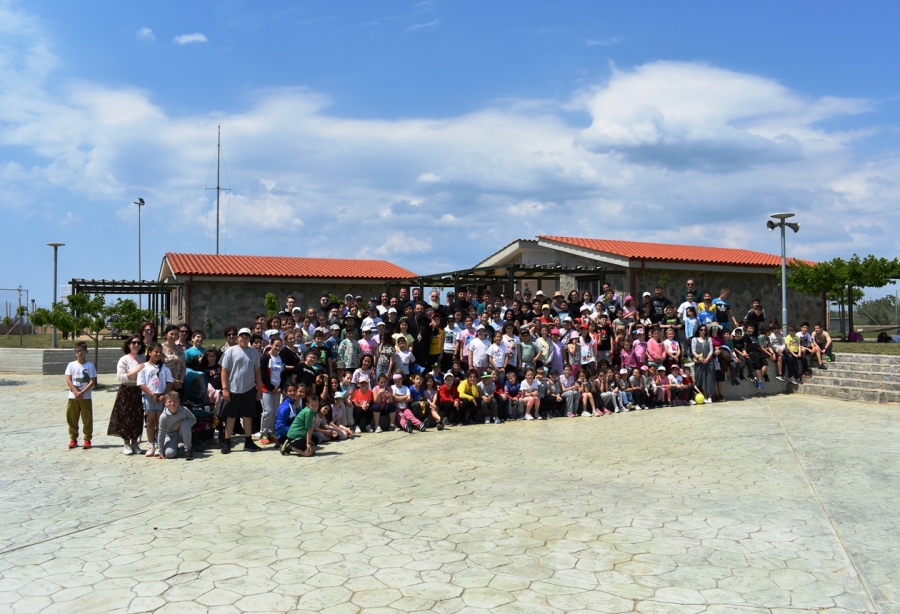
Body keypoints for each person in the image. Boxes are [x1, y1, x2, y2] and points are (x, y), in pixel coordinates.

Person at [220, 328, 264, 454]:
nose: (244, 339)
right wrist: (225, 388)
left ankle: (248, 441)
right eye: (241, 337)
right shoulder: (230, 351)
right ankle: (227, 441)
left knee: (247, 415)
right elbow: (224, 370)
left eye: (246, 337)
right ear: (238, 338)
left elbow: (257, 371)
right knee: (231, 416)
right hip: (232, 388)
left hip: (249, 388)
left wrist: (259, 389)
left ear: (249, 339)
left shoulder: (254, 353)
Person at [109, 335, 147, 455]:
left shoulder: (144, 357)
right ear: (129, 344)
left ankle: (135, 442)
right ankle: (126, 443)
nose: (136, 345)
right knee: (125, 417)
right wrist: (135, 371)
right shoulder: (124, 359)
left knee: (137, 416)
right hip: (127, 390)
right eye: (134, 342)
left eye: (139, 343)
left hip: (139, 390)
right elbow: (120, 377)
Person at [137, 342, 173, 458]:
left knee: (160, 422)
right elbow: (141, 384)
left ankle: (159, 445)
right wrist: (151, 395)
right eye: (155, 352)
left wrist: (164, 394)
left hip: (161, 397)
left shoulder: (164, 368)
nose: (158, 354)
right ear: (150, 353)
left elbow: (169, 383)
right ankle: (151, 445)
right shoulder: (144, 367)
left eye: (159, 352)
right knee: (150, 421)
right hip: (149, 396)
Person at [64, 341, 97, 450]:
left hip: (86, 397)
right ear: (75, 353)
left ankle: (87, 439)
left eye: (82, 351)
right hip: (73, 397)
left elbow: (92, 381)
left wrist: (82, 393)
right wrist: (75, 392)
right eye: (78, 351)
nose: (80, 353)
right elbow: (68, 380)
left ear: (86, 352)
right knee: (72, 417)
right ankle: (73, 438)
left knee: (87, 418)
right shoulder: (71, 365)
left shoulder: (90, 365)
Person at [156, 391, 197, 460]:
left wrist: (181, 421)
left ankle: (188, 450)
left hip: (182, 433)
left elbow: (194, 420)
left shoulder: (184, 410)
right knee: (169, 454)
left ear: (179, 402)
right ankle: (176, 448)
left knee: (185, 424)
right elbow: (161, 433)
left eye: (175, 401)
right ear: (165, 403)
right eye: (169, 401)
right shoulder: (163, 416)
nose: (172, 403)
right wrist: (161, 451)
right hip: (170, 436)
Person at [259, 338, 285, 445]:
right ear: (271, 345)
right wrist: (271, 387)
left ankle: (271, 432)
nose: (278, 348)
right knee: (268, 411)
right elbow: (262, 374)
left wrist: (281, 387)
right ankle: (263, 433)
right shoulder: (265, 357)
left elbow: (283, 374)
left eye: (280, 346)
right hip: (266, 389)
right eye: (276, 345)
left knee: (274, 412)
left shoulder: (280, 358)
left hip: (277, 390)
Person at [691, 325, 715, 404]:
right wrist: (698, 358)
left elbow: (711, 350)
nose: (703, 331)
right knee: (702, 379)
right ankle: (704, 396)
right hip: (699, 362)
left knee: (709, 379)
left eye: (704, 330)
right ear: (698, 330)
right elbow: (693, 350)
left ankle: (710, 396)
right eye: (701, 329)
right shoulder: (694, 339)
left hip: (709, 362)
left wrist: (707, 359)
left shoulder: (709, 339)